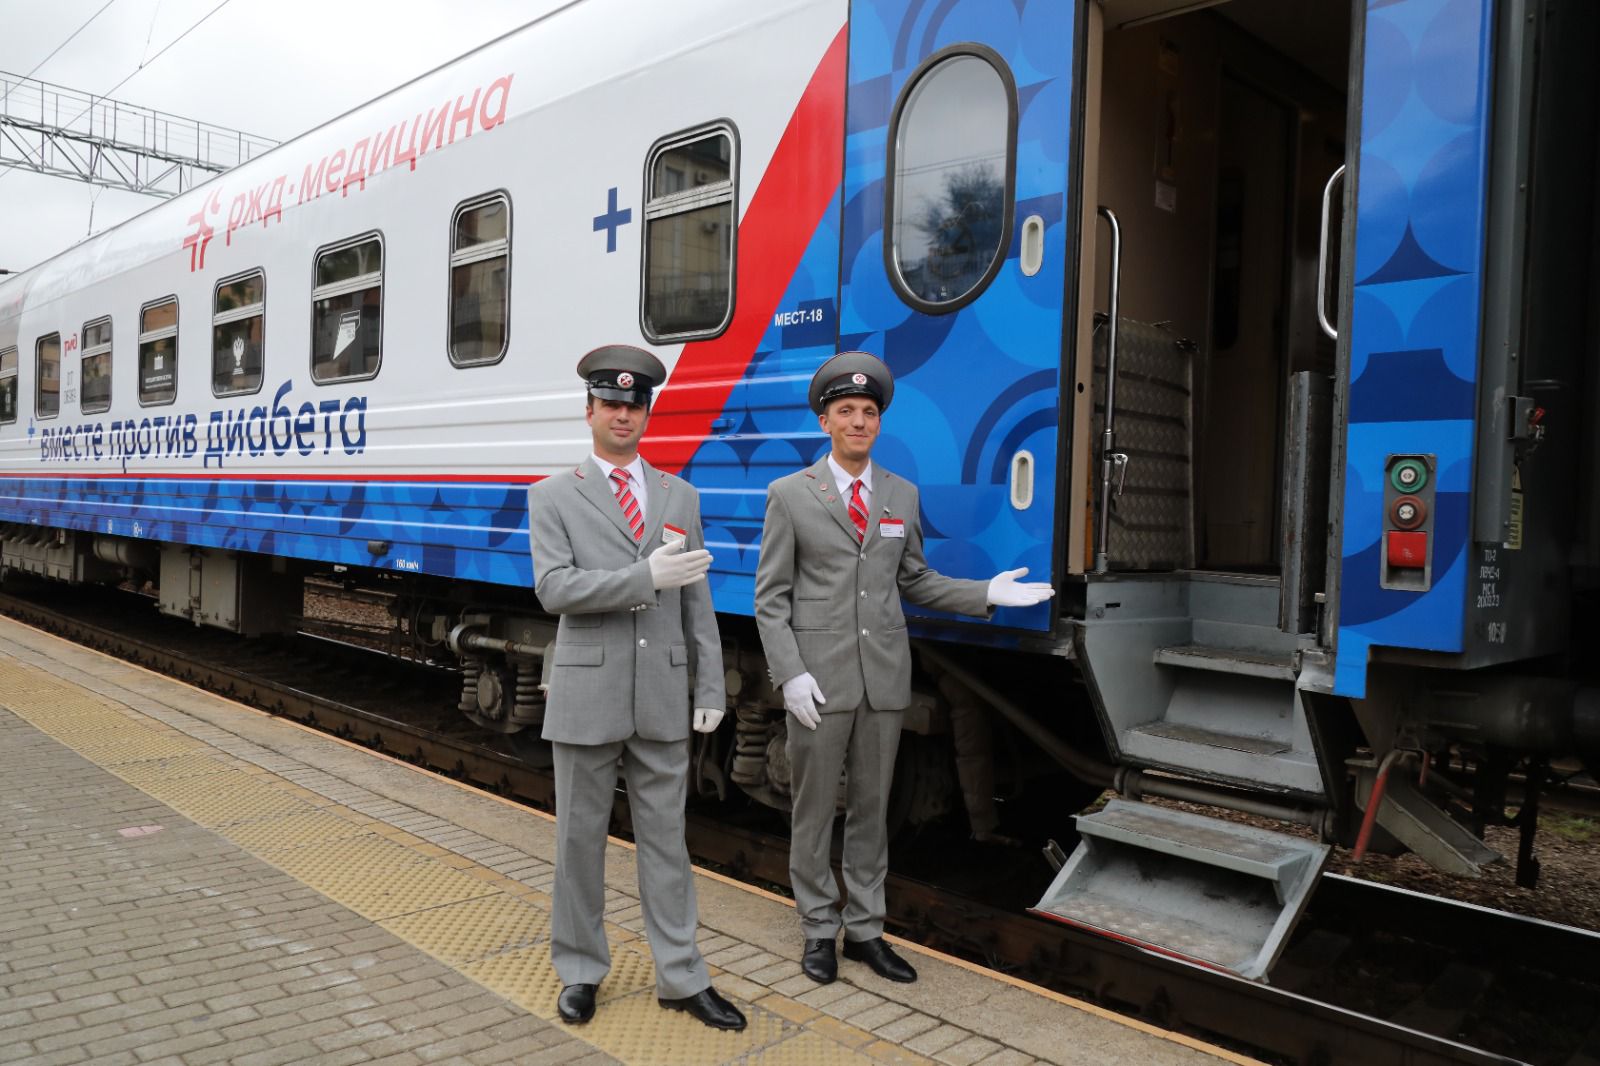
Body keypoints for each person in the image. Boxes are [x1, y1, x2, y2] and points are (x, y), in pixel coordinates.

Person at [754, 351, 1055, 985]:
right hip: (818, 682)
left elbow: (913, 579)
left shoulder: (900, 494)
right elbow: (771, 598)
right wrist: (790, 672)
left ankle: (866, 931)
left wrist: (985, 593)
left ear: (879, 422)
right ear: (825, 422)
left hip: (883, 680)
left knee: (871, 809)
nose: (858, 422)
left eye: (868, 412)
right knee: (814, 811)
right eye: (846, 411)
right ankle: (817, 929)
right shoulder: (790, 495)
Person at [527, 344, 745, 1031]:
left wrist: (710, 686)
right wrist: (643, 577)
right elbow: (554, 589)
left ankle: (682, 976)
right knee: (578, 844)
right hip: (587, 695)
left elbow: (698, 602)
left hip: (662, 694)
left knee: (668, 846)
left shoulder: (681, 496)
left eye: (634, 405)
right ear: (589, 411)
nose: (623, 414)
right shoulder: (552, 496)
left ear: (646, 414)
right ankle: (580, 970)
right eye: (611, 404)